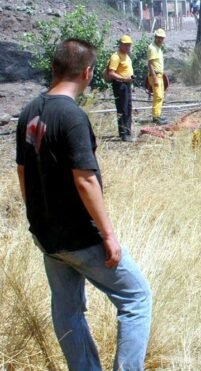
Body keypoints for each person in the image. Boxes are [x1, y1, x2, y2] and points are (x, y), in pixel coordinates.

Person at [15, 39, 152, 370]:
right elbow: (85, 179)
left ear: (55, 67)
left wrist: (39, 218)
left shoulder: (29, 111)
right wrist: (108, 235)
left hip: (47, 236)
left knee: (67, 308)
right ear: (89, 73)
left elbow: (22, 171)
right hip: (80, 237)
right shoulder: (72, 117)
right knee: (136, 298)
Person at [107, 35, 135, 142]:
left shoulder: (127, 56)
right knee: (122, 109)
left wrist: (130, 83)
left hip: (127, 84)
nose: (128, 47)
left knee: (128, 108)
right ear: (121, 45)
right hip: (120, 85)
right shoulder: (116, 57)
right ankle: (123, 134)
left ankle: (128, 132)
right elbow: (111, 73)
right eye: (126, 45)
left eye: (129, 45)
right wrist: (124, 79)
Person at [148, 28, 167, 125]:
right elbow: (150, 64)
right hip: (155, 75)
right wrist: (154, 78)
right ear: (155, 37)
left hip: (159, 75)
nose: (160, 39)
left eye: (162, 38)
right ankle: (155, 117)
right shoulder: (152, 48)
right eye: (159, 38)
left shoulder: (158, 48)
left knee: (160, 96)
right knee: (158, 96)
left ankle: (158, 115)